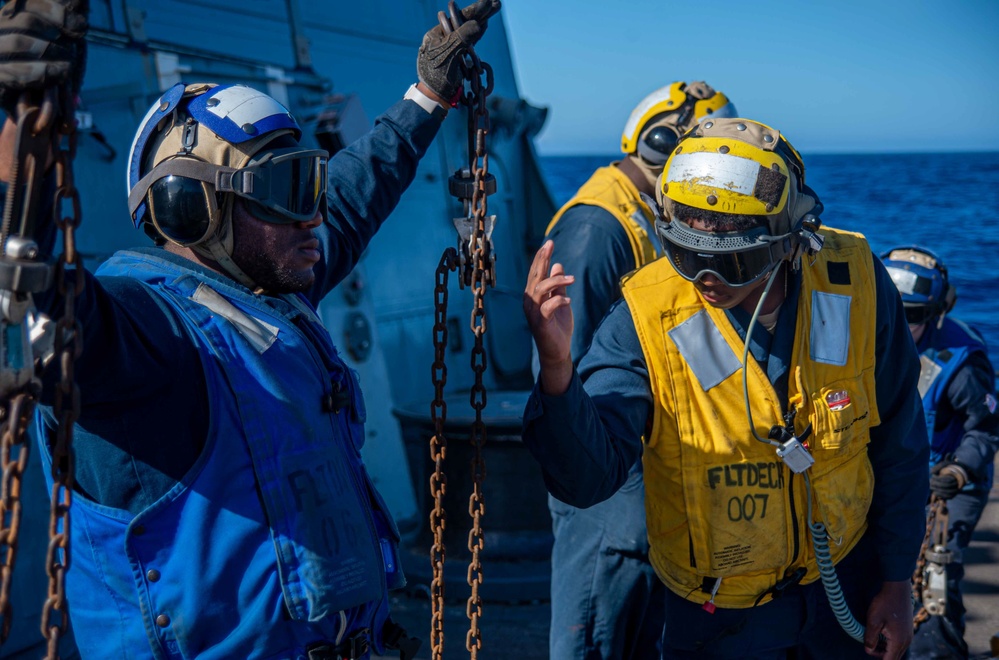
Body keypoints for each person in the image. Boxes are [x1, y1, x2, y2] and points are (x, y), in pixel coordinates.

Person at [0, 0, 501, 657]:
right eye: (287, 188)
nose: (313, 216)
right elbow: (45, 291)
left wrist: (429, 94)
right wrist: (22, 127)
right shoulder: (144, 335)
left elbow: (358, 186)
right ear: (189, 206)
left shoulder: (269, 292)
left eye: (310, 182)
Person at [522, 117, 929, 659]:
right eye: (687, 253)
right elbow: (588, 478)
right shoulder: (648, 314)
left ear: (789, 239)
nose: (706, 279)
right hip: (716, 620)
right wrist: (557, 371)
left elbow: (900, 438)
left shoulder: (855, 280)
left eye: (732, 260)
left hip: (842, 594)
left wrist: (896, 580)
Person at [542, 81, 736, 660]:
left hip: (646, 494)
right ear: (660, 142)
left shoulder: (650, 214)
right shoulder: (597, 230)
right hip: (610, 504)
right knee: (594, 638)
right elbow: (566, 377)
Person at [881, 247, 999, 659]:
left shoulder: (961, 364)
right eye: (892, 309)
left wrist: (959, 471)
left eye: (912, 316)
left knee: (936, 575)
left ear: (935, 314)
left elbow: (984, 429)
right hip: (896, 475)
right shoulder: (870, 339)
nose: (899, 322)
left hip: (948, 482)